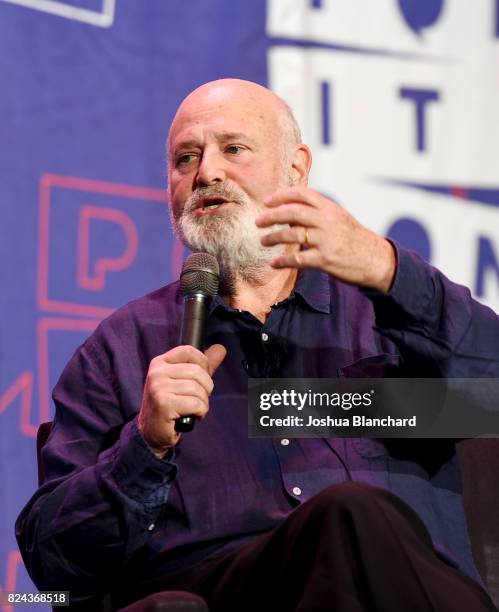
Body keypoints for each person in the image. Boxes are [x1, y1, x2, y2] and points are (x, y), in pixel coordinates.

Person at [16, 79, 499, 611]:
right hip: (224, 596)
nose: (207, 173)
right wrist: (145, 444)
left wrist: (387, 268)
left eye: (233, 149)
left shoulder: (385, 319)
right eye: (185, 159)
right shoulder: (123, 350)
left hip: (384, 583)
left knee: (351, 519)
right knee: (345, 517)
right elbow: (54, 561)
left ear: (295, 169)